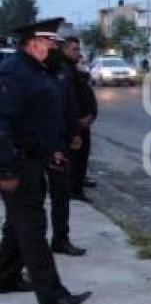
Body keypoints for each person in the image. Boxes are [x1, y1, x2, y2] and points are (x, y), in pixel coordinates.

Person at [0, 18, 92, 304]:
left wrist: (52, 151)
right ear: (32, 42)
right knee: (33, 228)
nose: (55, 45)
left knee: (18, 225)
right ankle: (52, 296)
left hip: (33, 158)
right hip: (17, 163)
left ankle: (6, 276)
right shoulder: (15, 73)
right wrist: (6, 171)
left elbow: (39, 121)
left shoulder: (37, 71)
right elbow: (2, 124)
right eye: (49, 40)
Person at [45, 38, 86, 256]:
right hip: (31, 146)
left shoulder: (62, 71)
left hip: (59, 142)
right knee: (29, 202)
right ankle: (17, 253)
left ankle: (61, 239)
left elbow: (70, 105)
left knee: (61, 193)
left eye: (52, 44)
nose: (50, 48)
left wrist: (75, 133)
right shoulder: (22, 71)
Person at [62, 37, 98, 201]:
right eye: (74, 49)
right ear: (65, 50)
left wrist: (91, 114)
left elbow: (84, 95)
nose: (78, 53)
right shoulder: (64, 71)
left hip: (83, 122)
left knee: (81, 159)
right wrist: (77, 122)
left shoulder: (74, 70)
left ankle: (77, 187)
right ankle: (74, 190)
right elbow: (67, 101)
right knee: (75, 159)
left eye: (78, 49)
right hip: (74, 125)